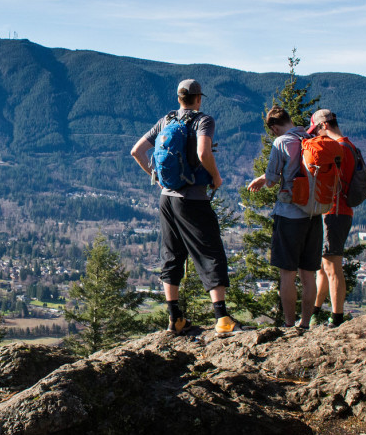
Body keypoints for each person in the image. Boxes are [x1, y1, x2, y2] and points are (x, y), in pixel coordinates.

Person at [130, 79, 238, 335]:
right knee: (210, 252)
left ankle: (174, 317)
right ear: (199, 98)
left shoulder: (166, 120)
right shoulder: (204, 120)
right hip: (193, 199)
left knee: (172, 255)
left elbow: (136, 151)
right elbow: (203, 153)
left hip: (167, 199)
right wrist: (216, 176)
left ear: (179, 99)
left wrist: (155, 178)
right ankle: (222, 318)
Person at [246, 105, 322, 329]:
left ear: (274, 127)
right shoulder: (310, 137)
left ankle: (289, 324)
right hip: (313, 213)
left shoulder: (281, 142)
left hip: (289, 214)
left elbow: (271, 180)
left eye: (273, 131)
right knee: (309, 274)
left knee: (287, 274)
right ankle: (305, 322)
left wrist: (265, 179)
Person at [307, 109, 357, 328]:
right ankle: (315, 311)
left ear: (324, 125)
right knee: (323, 266)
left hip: (334, 212)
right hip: (340, 212)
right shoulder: (350, 146)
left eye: (317, 131)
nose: (317, 136)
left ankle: (336, 318)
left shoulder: (339, 149)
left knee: (332, 266)